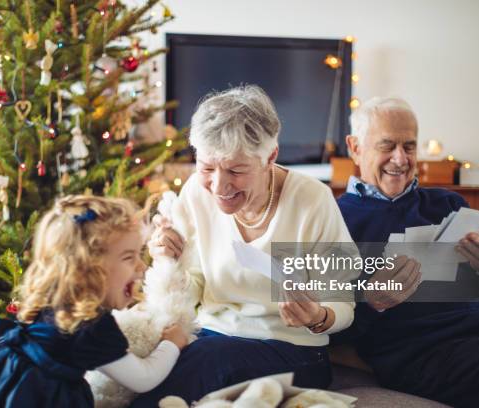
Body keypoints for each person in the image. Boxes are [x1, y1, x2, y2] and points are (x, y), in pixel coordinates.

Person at [130, 85, 356, 407]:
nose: (219, 186)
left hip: (293, 350)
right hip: (211, 335)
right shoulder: (196, 192)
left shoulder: (311, 200)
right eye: (207, 167)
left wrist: (317, 316)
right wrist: (170, 263)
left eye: (236, 170)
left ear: (270, 157)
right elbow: (191, 289)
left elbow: (343, 303)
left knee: (210, 359)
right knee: (147, 348)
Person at [334, 97, 479, 408]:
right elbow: (328, 327)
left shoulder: (447, 204)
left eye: (409, 146)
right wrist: (371, 302)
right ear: (355, 147)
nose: (400, 158)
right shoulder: (336, 220)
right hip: (423, 350)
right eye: (387, 146)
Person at [0, 195, 188, 408]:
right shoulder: (90, 326)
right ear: (90, 269)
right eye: (129, 257)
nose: (142, 266)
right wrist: (171, 343)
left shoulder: (53, 300)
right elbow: (143, 378)